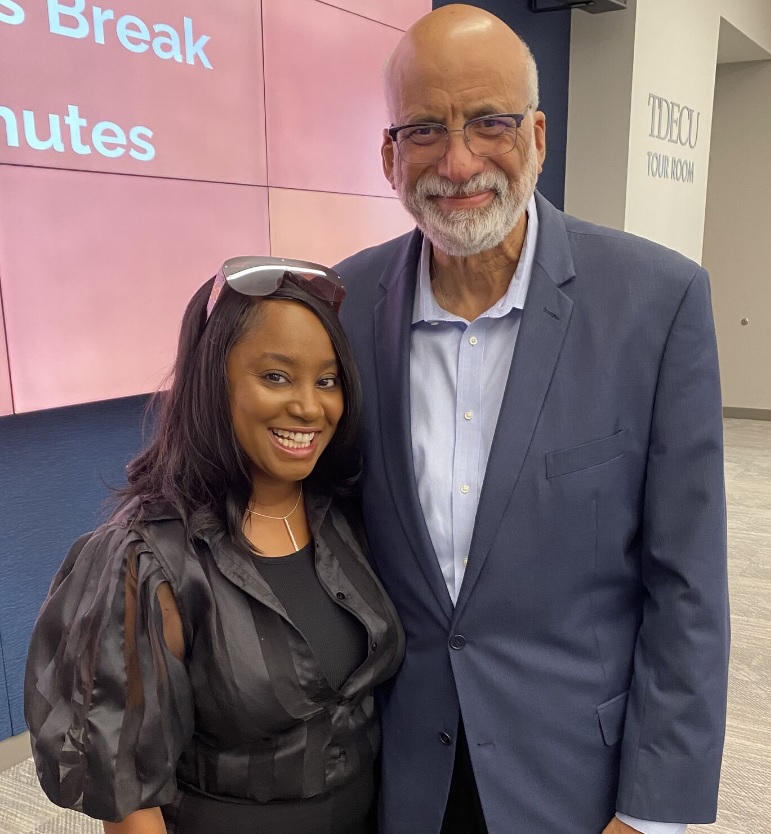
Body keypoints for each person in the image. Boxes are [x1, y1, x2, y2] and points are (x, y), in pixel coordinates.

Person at [334, 5, 729, 834]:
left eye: (490, 123)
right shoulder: (342, 305)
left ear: (538, 135)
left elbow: (685, 584)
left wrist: (652, 813)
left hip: (574, 779)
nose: (459, 160)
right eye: (424, 131)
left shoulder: (657, 305)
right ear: (387, 155)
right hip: (396, 772)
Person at [25, 257, 405, 834]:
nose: (309, 406)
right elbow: (131, 803)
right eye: (276, 376)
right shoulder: (147, 559)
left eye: (326, 380)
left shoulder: (343, 518)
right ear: (213, 380)